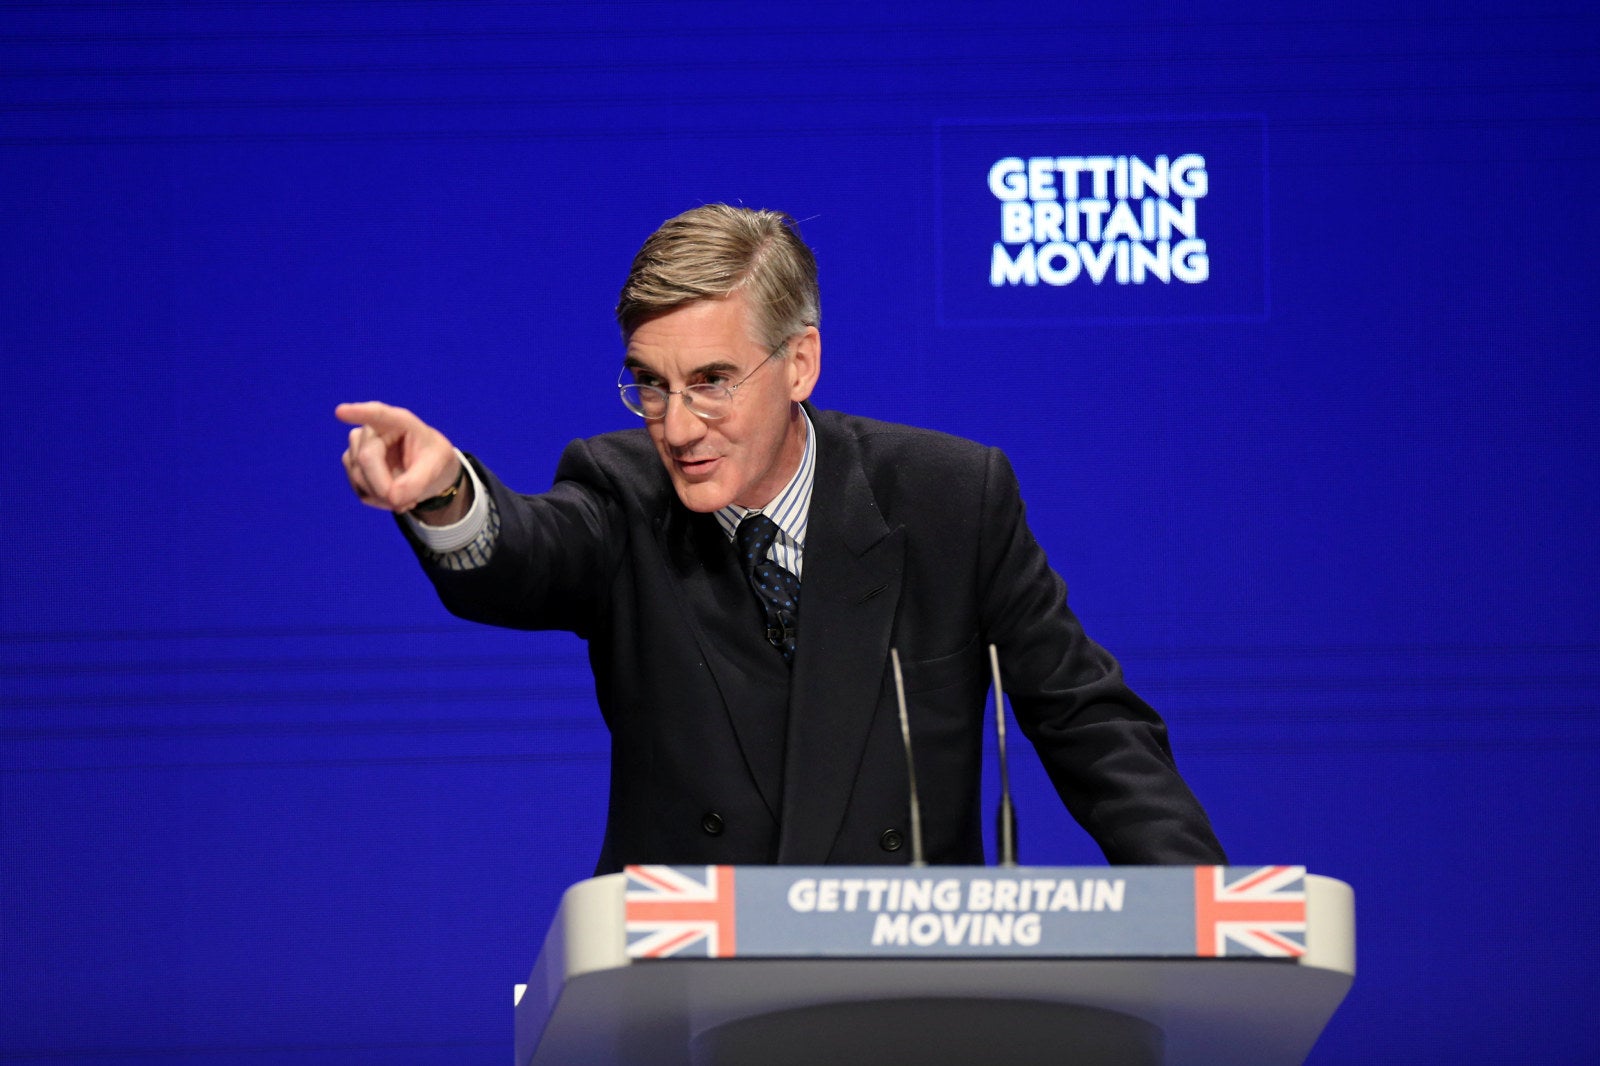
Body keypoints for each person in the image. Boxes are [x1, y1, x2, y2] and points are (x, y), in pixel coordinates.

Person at [337, 204, 1225, 873]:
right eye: (651, 385)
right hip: (689, 996)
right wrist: (447, 493)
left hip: (910, 989)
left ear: (800, 363)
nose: (677, 426)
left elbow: (1085, 720)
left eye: (712, 381)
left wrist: (1206, 915)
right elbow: (528, 552)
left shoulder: (950, 498)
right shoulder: (620, 492)